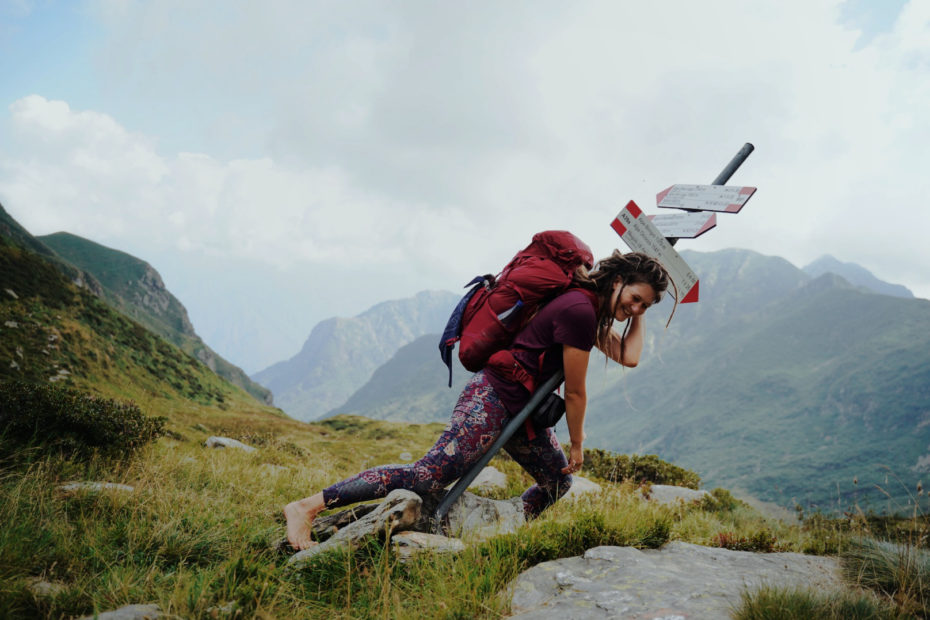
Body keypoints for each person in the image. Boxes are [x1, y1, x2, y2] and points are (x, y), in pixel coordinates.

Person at [284, 250, 670, 550]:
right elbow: (574, 391)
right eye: (635, 298)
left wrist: (639, 308)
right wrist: (578, 443)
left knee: (556, 482)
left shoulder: (594, 309)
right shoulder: (580, 310)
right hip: (494, 396)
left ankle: (501, 530)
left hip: (524, 410)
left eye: (645, 305)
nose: (635, 308)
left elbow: (630, 356)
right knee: (428, 475)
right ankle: (307, 507)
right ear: (617, 280)